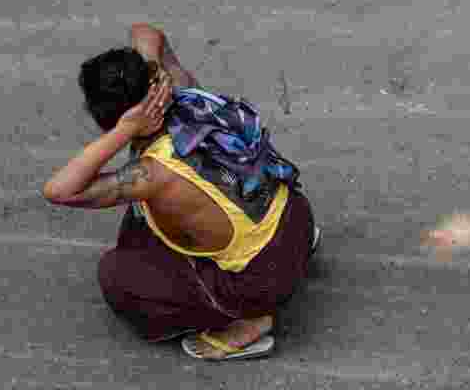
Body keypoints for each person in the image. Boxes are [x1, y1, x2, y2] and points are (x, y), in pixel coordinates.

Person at [42, 23, 319, 361]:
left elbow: (59, 191)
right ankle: (295, 253)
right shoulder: (183, 90)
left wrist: (123, 131)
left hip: (264, 279)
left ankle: (249, 322)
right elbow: (146, 32)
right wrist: (153, 69)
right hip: (296, 219)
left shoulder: (153, 173)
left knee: (117, 276)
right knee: (141, 225)